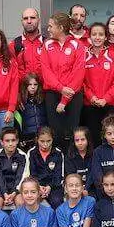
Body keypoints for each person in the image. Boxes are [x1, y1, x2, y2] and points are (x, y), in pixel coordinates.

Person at [41, 12, 85, 148]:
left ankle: (72, 165)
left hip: (73, 95)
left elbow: (78, 74)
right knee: (56, 133)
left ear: (60, 28)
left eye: (50, 26)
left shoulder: (77, 45)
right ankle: (57, 165)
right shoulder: (47, 44)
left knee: (72, 133)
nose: (48, 29)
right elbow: (46, 72)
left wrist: (64, 100)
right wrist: (60, 88)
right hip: (52, 94)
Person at [82, 22, 114, 134]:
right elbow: (81, 82)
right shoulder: (83, 56)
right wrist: (92, 98)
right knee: (93, 139)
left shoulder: (113, 56)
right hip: (89, 105)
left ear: (106, 37)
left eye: (100, 34)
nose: (97, 37)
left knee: (111, 139)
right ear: (89, 37)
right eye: (94, 34)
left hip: (109, 105)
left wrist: (106, 99)